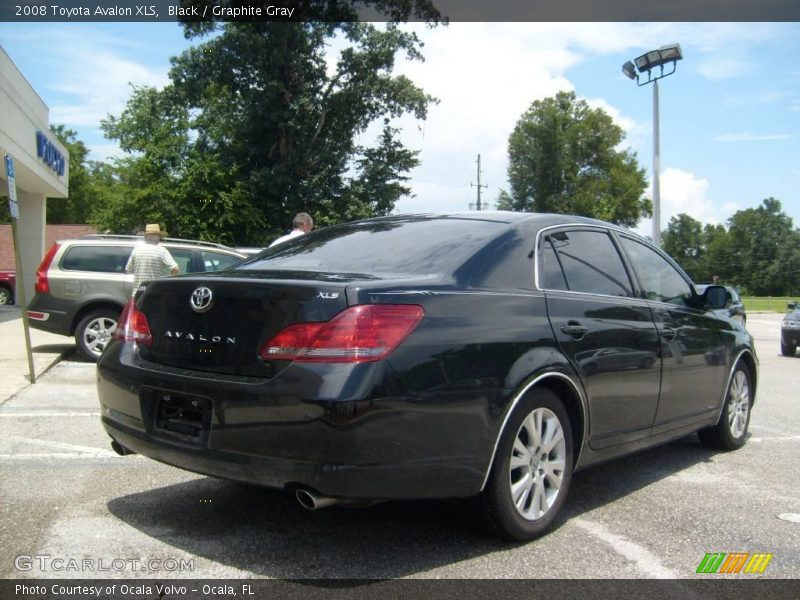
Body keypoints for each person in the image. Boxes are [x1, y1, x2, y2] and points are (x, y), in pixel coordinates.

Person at [125, 223, 179, 296]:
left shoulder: (137, 249)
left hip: (137, 293)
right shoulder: (162, 251)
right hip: (153, 293)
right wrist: (170, 283)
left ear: (146, 236)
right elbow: (175, 268)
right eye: (159, 236)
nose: (159, 238)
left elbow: (128, 270)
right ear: (156, 236)